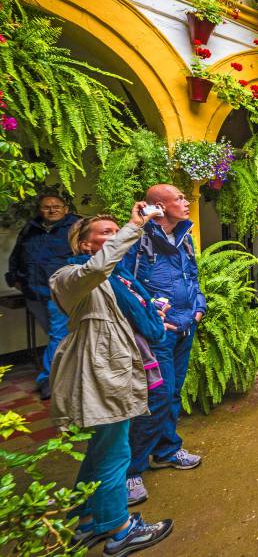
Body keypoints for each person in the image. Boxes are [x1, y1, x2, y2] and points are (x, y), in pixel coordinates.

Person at [48, 203, 174, 554]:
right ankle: (120, 529)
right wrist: (134, 226)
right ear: (85, 245)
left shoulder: (118, 280)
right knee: (115, 452)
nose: (114, 235)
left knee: (102, 450)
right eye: (105, 232)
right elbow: (99, 269)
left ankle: (88, 518)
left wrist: (152, 320)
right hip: (100, 373)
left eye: (115, 230)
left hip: (113, 369)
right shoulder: (70, 277)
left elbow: (119, 319)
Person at [122, 184, 206, 506]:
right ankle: (131, 470)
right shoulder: (140, 239)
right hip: (158, 331)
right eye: (180, 198)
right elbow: (124, 282)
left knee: (172, 393)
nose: (186, 203)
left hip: (185, 326)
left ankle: (167, 450)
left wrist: (199, 307)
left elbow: (193, 276)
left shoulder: (184, 237)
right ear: (159, 204)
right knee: (156, 396)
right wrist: (153, 312)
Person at [5, 195, 79, 399]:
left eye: (56, 206)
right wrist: (15, 278)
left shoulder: (76, 227)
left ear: (65, 209)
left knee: (58, 335)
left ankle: (48, 380)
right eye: (46, 207)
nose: (52, 210)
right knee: (56, 335)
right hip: (34, 292)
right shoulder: (30, 228)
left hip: (62, 292)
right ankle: (67, 373)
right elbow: (17, 254)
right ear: (40, 210)